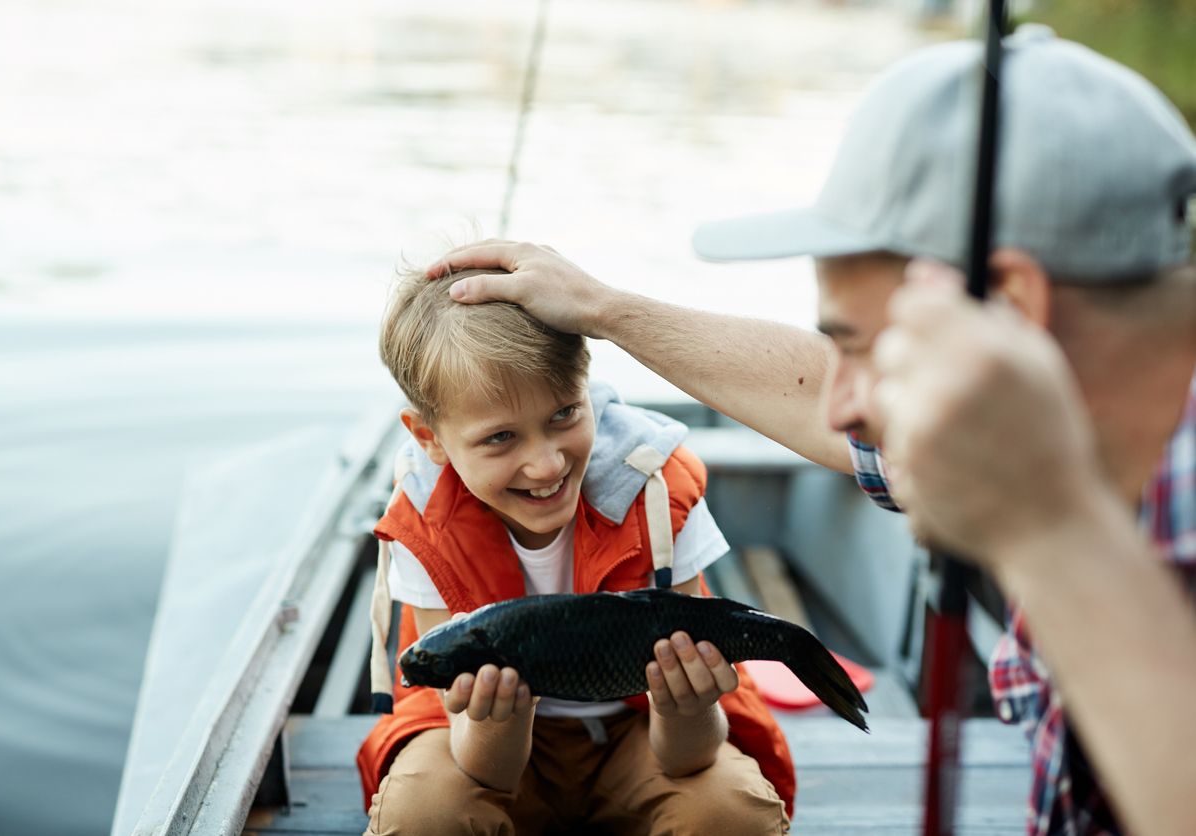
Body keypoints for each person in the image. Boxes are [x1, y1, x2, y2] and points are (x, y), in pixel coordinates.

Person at [427, 27, 1196, 836]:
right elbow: (815, 388)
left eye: (864, 346)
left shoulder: (1062, 494)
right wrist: (606, 311)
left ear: (1010, 309)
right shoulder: (1071, 433)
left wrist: (1050, 530)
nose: (839, 412)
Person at [356, 261, 794, 835]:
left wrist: (684, 705)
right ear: (429, 440)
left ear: (588, 389)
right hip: (485, 749)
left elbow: (688, 757)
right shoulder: (423, 523)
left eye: (564, 414)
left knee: (728, 813)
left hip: (640, 736)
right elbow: (480, 766)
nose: (546, 464)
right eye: (500, 437)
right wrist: (496, 722)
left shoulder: (658, 492)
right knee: (424, 816)